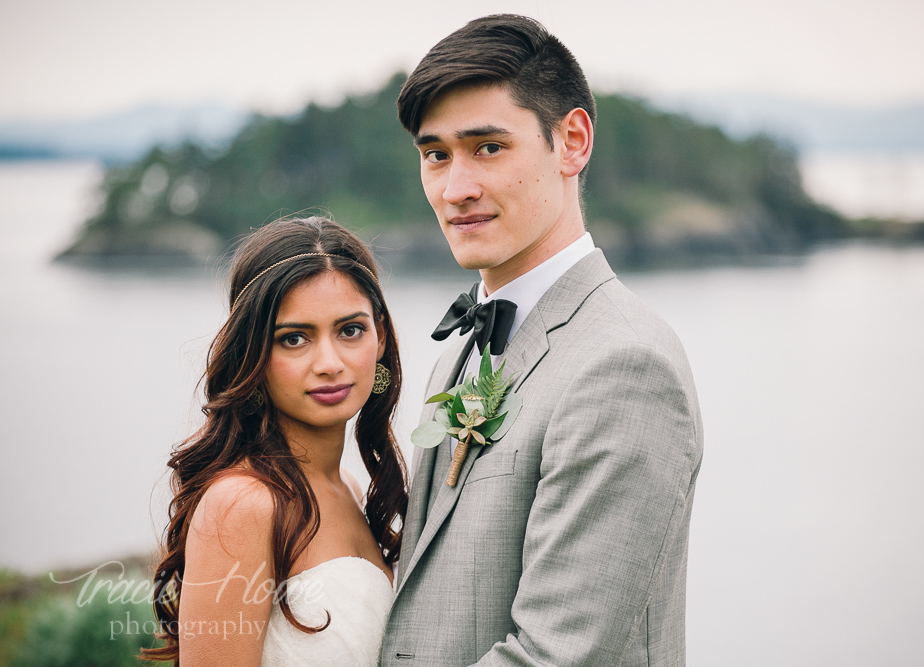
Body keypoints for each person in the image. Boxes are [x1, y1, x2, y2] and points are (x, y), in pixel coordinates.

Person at [382, 14, 703, 667]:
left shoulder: (624, 363)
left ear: (573, 141)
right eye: (435, 154)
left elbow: (556, 655)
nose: (455, 188)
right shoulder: (458, 352)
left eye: (488, 147)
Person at [143, 216, 408, 666]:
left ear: (379, 335)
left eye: (350, 330)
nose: (329, 363)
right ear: (253, 352)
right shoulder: (243, 504)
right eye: (294, 339)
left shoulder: (350, 488)